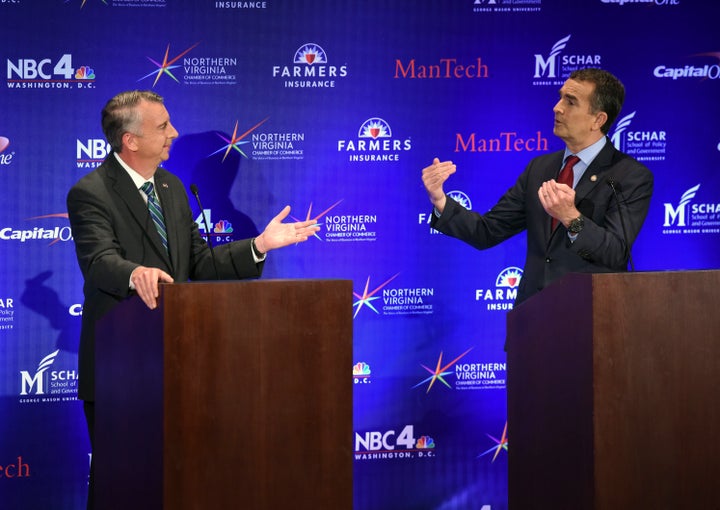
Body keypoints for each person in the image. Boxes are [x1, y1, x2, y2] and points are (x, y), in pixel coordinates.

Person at [66, 90, 319, 509]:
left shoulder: (171, 187)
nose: (174, 133)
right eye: (163, 126)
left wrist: (258, 245)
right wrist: (134, 272)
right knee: (122, 484)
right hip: (120, 367)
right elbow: (99, 260)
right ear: (130, 140)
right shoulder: (91, 192)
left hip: (180, 364)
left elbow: (199, 262)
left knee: (176, 481)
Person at [422, 68, 653, 306]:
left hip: (592, 320)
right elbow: (487, 231)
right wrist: (440, 200)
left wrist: (572, 218)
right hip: (532, 321)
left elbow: (615, 252)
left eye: (570, 102)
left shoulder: (629, 176)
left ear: (598, 119)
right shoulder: (540, 168)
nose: (557, 107)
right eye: (561, 96)